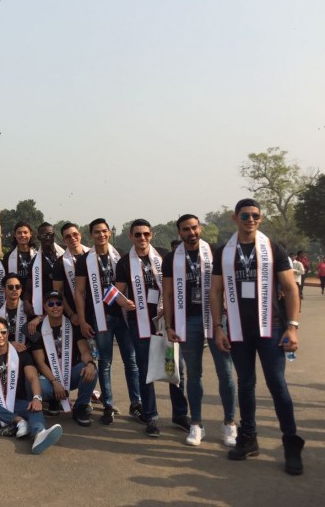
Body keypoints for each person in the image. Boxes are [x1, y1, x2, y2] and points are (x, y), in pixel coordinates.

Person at [210, 198, 304, 475]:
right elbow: (215, 291)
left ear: (260, 219)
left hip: (271, 327)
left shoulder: (273, 248)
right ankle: (248, 437)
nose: (250, 219)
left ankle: (291, 442)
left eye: (255, 215)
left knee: (277, 384)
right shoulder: (224, 252)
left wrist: (292, 327)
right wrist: (218, 327)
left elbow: (291, 288)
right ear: (235, 218)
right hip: (239, 328)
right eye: (245, 215)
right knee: (246, 384)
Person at [162, 214, 237, 447]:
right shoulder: (171, 258)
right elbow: (168, 293)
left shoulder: (216, 252)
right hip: (188, 320)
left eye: (194, 228)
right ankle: (196, 424)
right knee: (194, 374)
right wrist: (169, 325)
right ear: (179, 232)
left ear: (200, 228)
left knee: (225, 372)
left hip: (217, 319)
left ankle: (229, 423)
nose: (191, 233)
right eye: (186, 229)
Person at [114, 219, 189, 438]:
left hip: (166, 320)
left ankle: (180, 413)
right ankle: (151, 416)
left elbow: (175, 285)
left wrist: (168, 307)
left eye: (145, 234)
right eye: (137, 234)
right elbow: (116, 292)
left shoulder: (163, 256)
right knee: (145, 369)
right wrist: (123, 301)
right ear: (130, 237)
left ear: (151, 235)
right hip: (139, 321)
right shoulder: (125, 263)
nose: (142, 238)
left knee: (174, 366)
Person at [0, 316, 64, 454]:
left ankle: (39, 434)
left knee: (34, 406)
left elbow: (33, 378)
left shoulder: (22, 355)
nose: (0, 336)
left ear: (7, 334)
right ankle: (18, 421)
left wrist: (36, 398)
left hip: (17, 402)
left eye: (3, 332)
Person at [74, 218, 141, 425]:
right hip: (101, 317)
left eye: (104, 231)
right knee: (105, 362)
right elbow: (79, 292)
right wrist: (82, 320)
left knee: (131, 361)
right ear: (91, 235)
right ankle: (108, 404)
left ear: (109, 233)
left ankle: (136, 403)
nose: (101, 235)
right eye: (97, 232)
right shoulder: (84, 260)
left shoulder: (121, 254)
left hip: (123, 316)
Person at [30, 290, 97, 427]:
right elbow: (40, 362)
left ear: (62, 306)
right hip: (49, 378)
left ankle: (81, 406)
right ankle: (54, 399)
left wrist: (90, 363)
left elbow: (84, 351)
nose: (55, 306)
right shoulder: (37, 329)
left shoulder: (72, 325)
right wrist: (55, 382)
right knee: (39, 387)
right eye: (51, 304)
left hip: (70, 374)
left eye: (59, 303)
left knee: (92, 370)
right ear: (45, 307)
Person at [24, 223, 64, 334]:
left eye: (50, 234)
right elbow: (29, 284)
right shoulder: (35, 262)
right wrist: (26, 300)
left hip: (66, 303)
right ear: (38, 237)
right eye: (44, 235)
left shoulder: (64, 254)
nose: (48, 238)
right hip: (48, 305)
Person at [52, 222, 90, 325]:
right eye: (68, 236)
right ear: (63, 240)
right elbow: (58, 291)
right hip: (75, 313)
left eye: (75, 234)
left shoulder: (92, 255)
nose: (72, 238)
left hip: (96, 310)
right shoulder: (60, 263)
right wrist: (71, 314)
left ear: (80, 235)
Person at [0, 273, 31, 352]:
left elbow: (36, 340)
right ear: (4, 289)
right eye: (10, 287)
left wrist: (38, 319)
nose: (14, 289)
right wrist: (10, 344)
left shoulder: (29, 311)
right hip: (5, 351)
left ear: (21, 289)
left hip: (26, 352)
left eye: (17, 287)